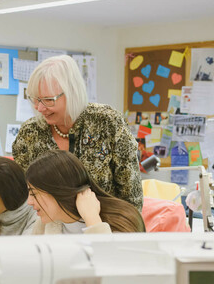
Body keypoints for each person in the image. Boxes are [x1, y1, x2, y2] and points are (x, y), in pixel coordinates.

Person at [12, 55, 143, 210]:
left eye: (48, 100)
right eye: (35, 99)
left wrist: (125, 231)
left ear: (72, 92)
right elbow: (23, 194)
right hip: (50, 227)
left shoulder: (107, 122)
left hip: (105, 226)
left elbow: (131, 194)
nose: (39, 108)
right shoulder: (30, 132)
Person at [26, 150, 145, 234]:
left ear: (59, 190)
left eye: (34, 193)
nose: (29, 201)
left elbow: (112, 265)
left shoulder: (122, 220)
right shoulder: (45, 223)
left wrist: (92, 219)